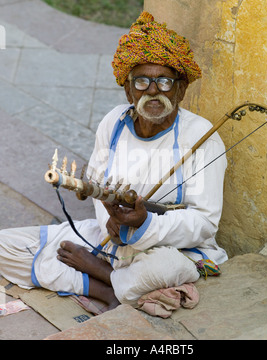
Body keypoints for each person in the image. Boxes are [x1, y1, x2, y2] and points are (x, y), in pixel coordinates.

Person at [0, 12, 228, 312]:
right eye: (142, 81)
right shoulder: (114, 123)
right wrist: (109, 219)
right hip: (110, 237)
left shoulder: (202, 138)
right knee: (4, 246)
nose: (153, 90)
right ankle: (111, 290)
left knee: (162, 269)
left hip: (170, 248)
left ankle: (99, 274)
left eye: (164, 81)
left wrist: (145, 223)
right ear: (128, 89)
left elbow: (204, 223)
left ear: (181, 89)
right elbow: (97, 185)